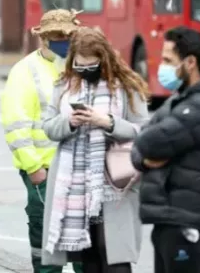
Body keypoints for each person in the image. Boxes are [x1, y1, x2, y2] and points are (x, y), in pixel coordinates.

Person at [130, 27, 200, 273]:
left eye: (168, 60)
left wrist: (144, 151)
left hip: (188, 220)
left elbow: (148, 142)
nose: (162, 66)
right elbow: (140, 145)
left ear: (190, 62)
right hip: (169, 218)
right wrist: (146, 160)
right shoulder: (180, 99)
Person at [41, 27, 150, 273]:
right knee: (88, 256)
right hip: (76, 189)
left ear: (105, 59)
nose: (85, 71)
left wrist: (108, 123)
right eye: (80, 66)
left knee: (114, 254)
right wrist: (69, 122)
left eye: (91, 66)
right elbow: (47, 126)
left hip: (115, 184)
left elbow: (144, 131)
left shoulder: (126, 85)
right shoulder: (64, 85)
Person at [0, 9, 84, 273]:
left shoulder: (79, 65)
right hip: (45, 171)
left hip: (78, 169)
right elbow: (16, 124)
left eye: (67, 35)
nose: (63, 41)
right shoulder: (25, 71)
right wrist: (34, 168)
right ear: (42, 38)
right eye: (56, 36)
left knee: (84, 238)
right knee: (46, 238)